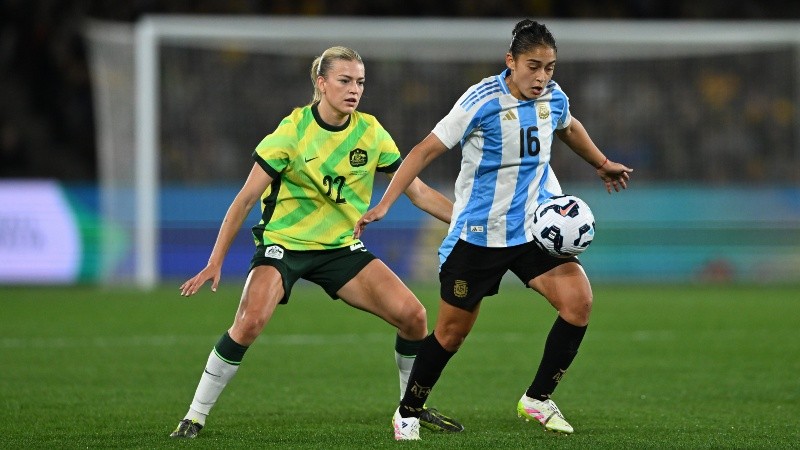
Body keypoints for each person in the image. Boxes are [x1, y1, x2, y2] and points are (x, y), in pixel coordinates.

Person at [354, 20, 633, 440]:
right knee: (451, 334)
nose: (542, 77)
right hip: (478, 237)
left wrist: (600, 162)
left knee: (578, 303)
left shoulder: (553, 98)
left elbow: (569, 126)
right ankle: (407, 411)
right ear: (511, 61)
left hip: (533, 230)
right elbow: (424, 150)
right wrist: (387, 203)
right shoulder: (480, 100)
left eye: (550, 68)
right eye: (533, 66)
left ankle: (537, 399)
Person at [169, 46, 463, 439]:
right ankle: (195, 415)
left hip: (340, 249)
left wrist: (469, 223)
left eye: (359, 81)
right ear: (321, 83)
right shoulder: (292, 132)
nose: (354, 89)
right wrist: (215, 260)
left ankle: (410, 409)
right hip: (284, 246)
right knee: (250, 321)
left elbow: (420, 192)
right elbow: (244, 199)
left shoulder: (371, 133)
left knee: (414, 317)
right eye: (345, 80)